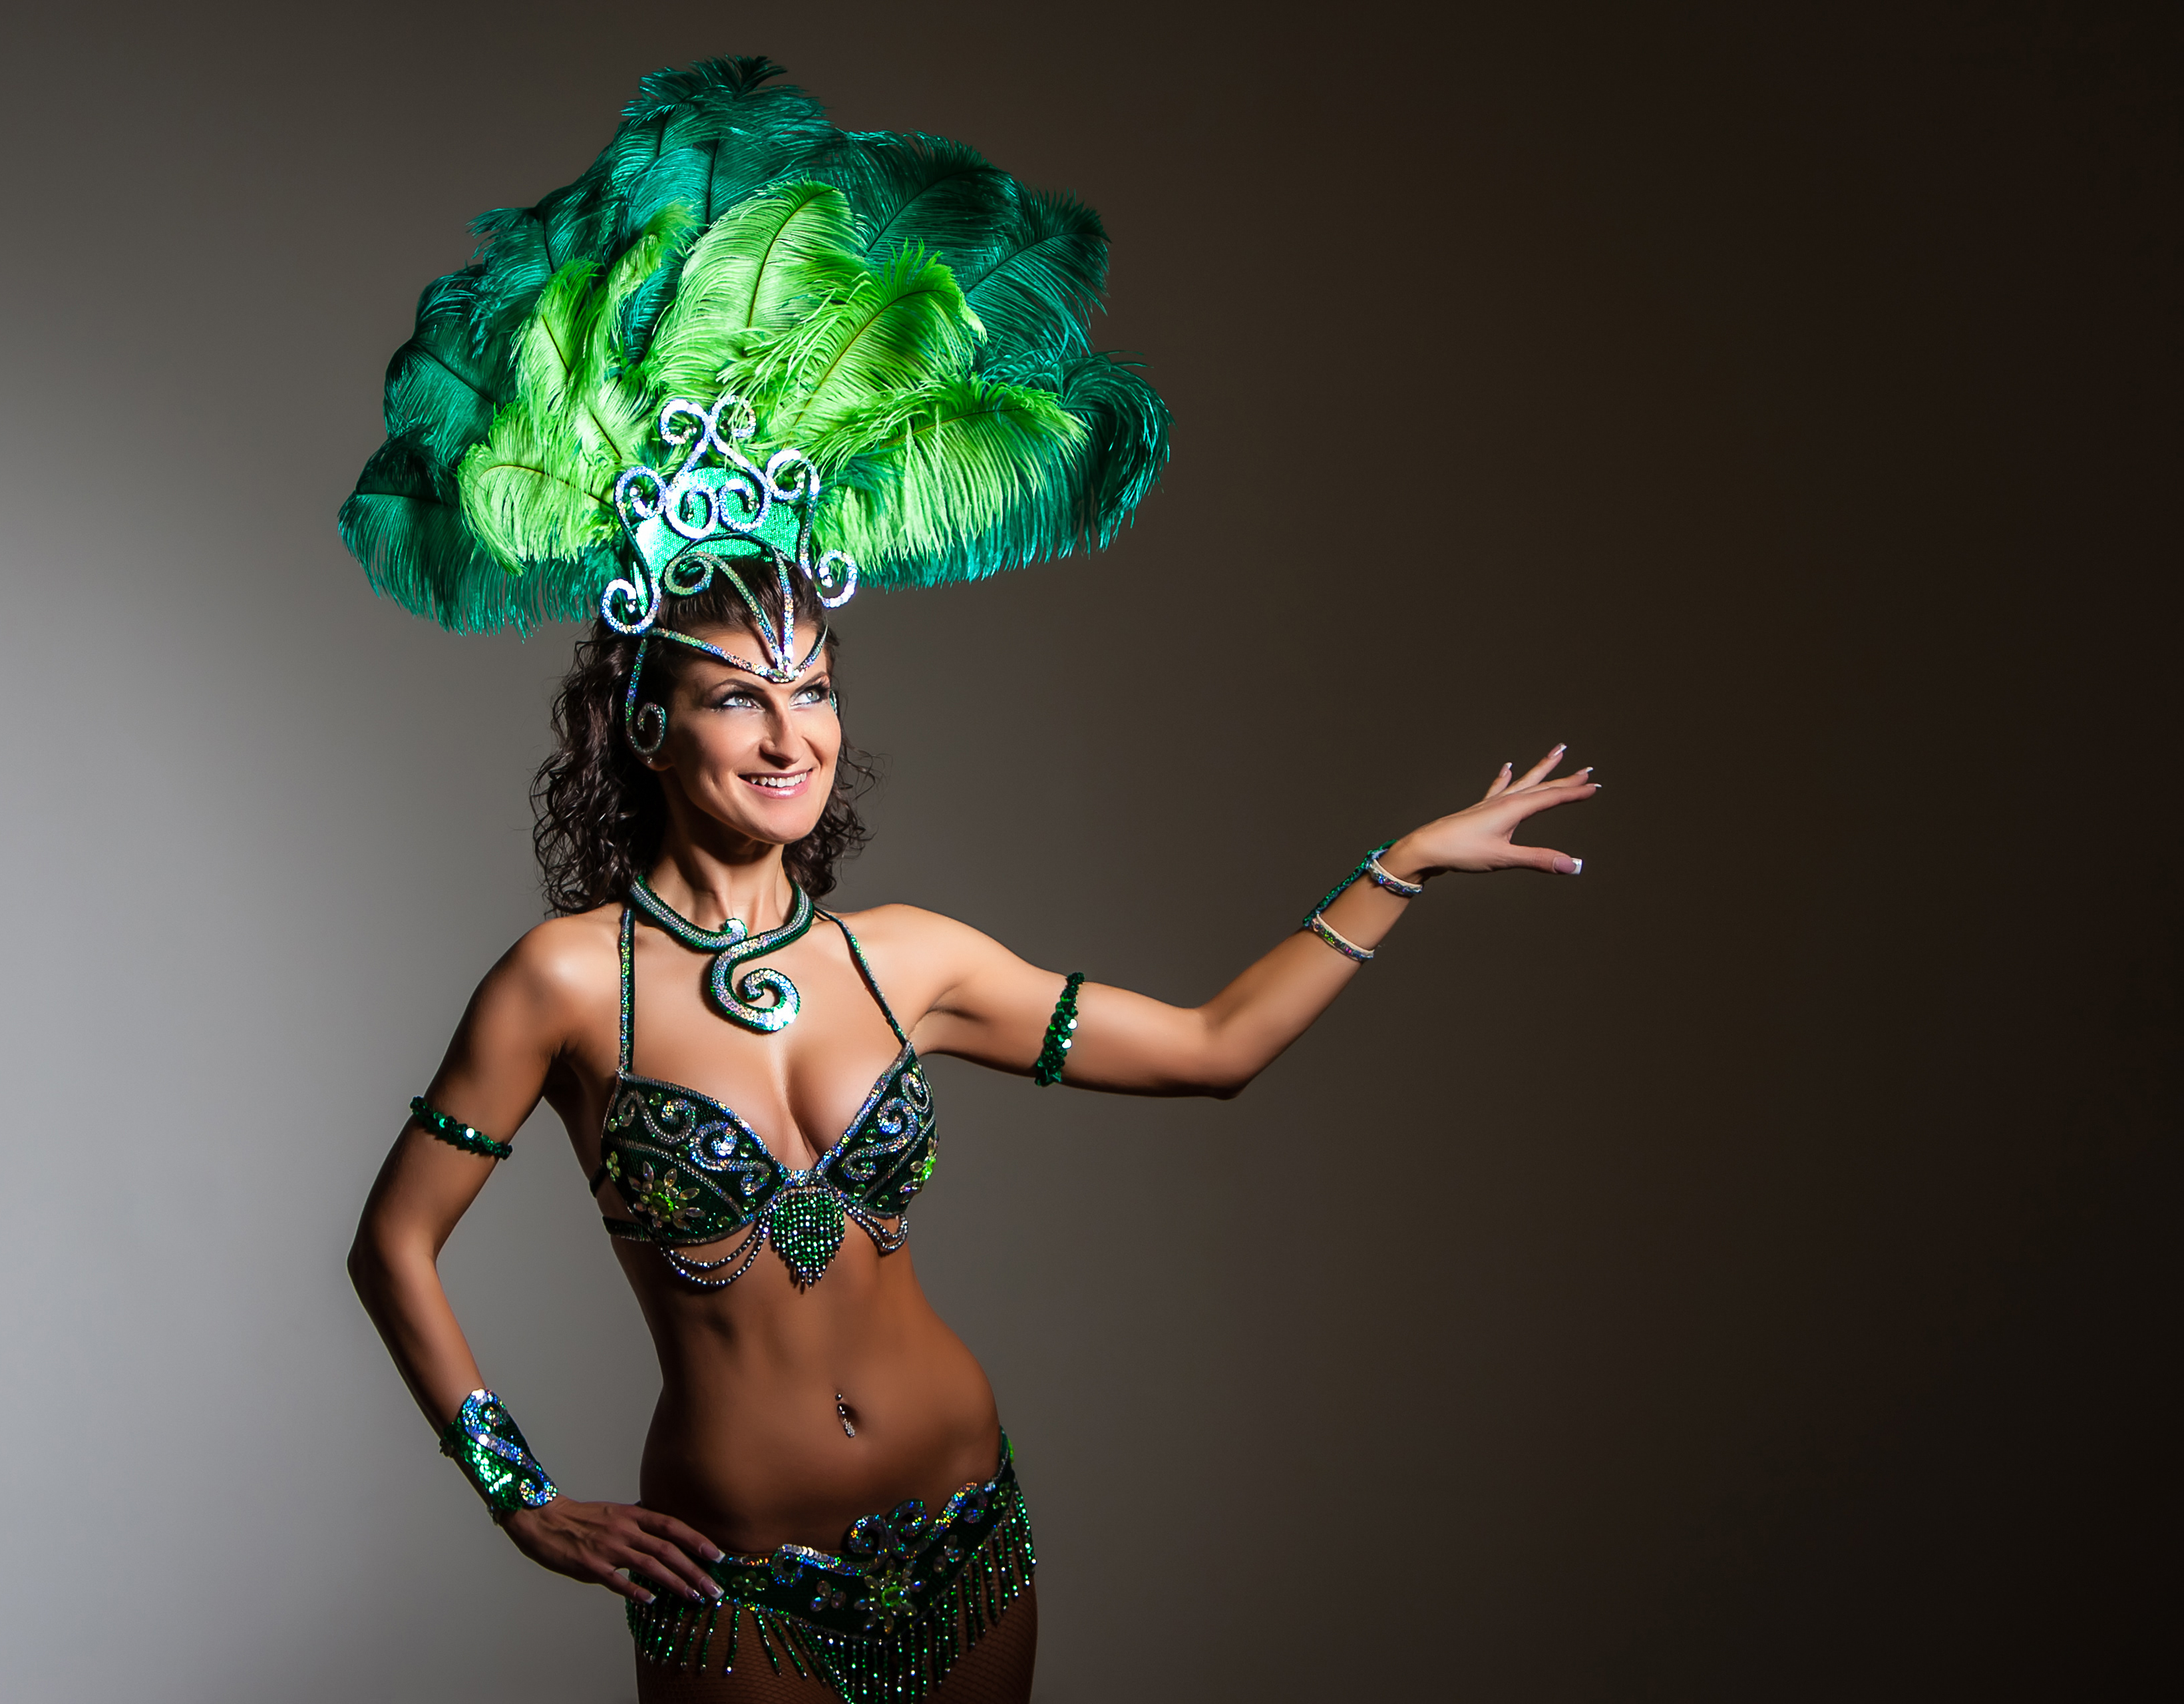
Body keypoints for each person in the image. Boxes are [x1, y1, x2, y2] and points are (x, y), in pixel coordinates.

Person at [338, 58, 1596, 1704]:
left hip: (968, 1525)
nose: (792, 733)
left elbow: (1212, 1049)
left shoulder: (908, 960)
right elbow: (395, 1243)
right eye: (738, 697)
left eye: (814, 689)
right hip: (735, 1571)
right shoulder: (564, 982)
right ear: (646, 726)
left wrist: (1397, 868)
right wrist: (520, 1495)